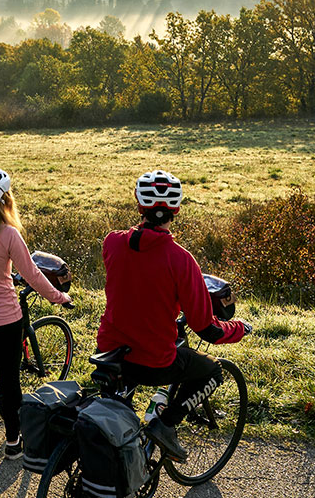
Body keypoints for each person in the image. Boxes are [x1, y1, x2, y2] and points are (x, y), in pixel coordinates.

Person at [96, 170, 252, 462]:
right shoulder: (181, 259)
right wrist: (238, 328)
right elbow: (206, 328)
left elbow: (134, 279)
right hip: (152, 360)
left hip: (109, 351)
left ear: (139, 203)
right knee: (212, 371)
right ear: (176, 209)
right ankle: (166, 426)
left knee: (109, 417)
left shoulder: (112, 242)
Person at [0, 166, 73, 459]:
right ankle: (12, 442)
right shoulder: (8, 234)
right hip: (3, 317)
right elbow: (31, 274)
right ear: (5, 200)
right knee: (8, 381)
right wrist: (59, 297)